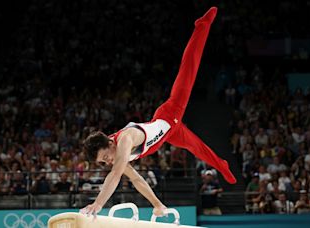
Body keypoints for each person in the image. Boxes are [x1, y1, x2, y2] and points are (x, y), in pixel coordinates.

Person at [79, 7, 236, 218]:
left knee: (188, 67)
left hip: (169, 114)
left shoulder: (125, 140)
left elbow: (115, 175)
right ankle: (222, 165)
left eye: (106, 156)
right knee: (198, 149)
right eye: (103, 161)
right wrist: (158, 204)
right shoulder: (117, 156)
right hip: (168, 134)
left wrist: (97, 205)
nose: (108, 161)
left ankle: (202, 25)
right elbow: (136, 180)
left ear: (110, 142)